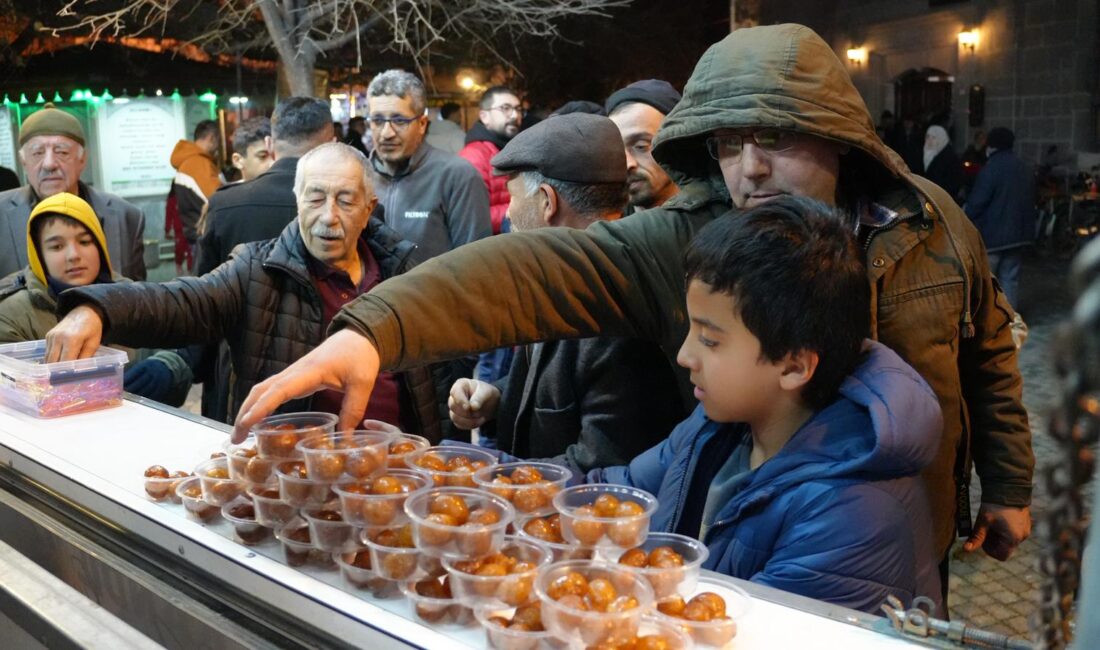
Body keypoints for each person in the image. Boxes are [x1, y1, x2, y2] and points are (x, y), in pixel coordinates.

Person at [111, 24, 1038, 593]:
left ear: (838, 140)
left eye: (781, 141)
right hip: (759, 549)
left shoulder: (931, 219)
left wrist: (1011, 489)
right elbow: (535, 271)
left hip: (905, 530)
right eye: (731, 143)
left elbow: (987, 345)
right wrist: (373, 330)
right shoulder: (695, 240)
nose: (750, 169)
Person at [594, 197, 942, 613]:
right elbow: (618, 494)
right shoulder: (716, 428)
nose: (685, 355)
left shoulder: (851, 516)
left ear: (794, 366)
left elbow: (751, 631)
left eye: (710, 340)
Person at [46, 144, 442, 438]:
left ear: (369, 208)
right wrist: (97, 310)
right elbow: (181, 300)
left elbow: (436, 376)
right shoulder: (256, 270)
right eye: (315, 198)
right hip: (291, 470)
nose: (328, 217)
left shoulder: (403, 275)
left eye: (345, 201)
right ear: (297, 202)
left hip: (396, 467)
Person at [448, 114, 686, 472]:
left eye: (513, 197)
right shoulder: (562, 276)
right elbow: (552, 389)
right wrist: (496, 395)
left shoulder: (617, 314)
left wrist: (483, 471)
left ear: (547, 201)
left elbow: (603, 468)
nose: (509, 213)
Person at [0, 192, 190, 405]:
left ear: (100, 246)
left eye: (84, 241)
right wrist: (99, 392)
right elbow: (14, 399)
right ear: (38, 255)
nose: (73, 255)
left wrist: (166, 369)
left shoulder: (132, 295)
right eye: (57, 246)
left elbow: (178, 357)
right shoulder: (10, 314)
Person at [0, 103, 146, 280]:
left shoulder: (127, 216)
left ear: (82, 159)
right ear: (24, 162)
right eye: (37, 153)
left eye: (61, 152)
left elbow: (139, 298)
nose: (49, 164)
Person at [197, 97, 334, 275]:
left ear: (269, 144)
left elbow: (203, 287)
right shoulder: (351, 205)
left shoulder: (223, 205)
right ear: (332, 145)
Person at [366, 69, 491, 261]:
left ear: (422, 124)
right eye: (378, 120)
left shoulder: (458, 176)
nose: (386, 133)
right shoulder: (357, 177)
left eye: (399, 121)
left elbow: (474, 265)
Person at [964, 127, 1036, 310]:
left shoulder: (991, 169)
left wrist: (964, 219)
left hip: (993, 236)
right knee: (1010, 280)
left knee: (986, 282)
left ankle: (987, 326)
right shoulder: (1024, 167)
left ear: (992, 145)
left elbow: (977, 203)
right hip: (1018, 235)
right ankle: (1009, 322)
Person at [605, 79, 682, 212]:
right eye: (615, 150)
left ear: (679, 142)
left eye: (641, 146)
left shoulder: (717, 222)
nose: (627, 164)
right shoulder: (602, 226)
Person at [459, 87, 524, 234]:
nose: (515, 115)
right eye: (505, 108)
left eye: (518, 109)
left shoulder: (512, 149)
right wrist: (525, 209)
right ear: (484, 116)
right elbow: (472, 215)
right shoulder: (474, 156)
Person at [170, 119, 222, 253]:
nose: (218, 146)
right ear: (212, 138)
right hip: (206, 238)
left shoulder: (188, 162)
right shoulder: (198, 163)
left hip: (196, 235)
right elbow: (220, 198)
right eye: (218, 140)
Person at [922, 125, 964, 203]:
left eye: (934, 137)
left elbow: (952, 184)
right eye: (928, 137)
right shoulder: (932, 152)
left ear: (941, 138)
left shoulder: (949, 157)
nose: (930, 140)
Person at [229, 117, 274, 183]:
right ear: (238, 161)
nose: (273, 163)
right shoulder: (230, 193)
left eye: (276, 156)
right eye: (263, 156)